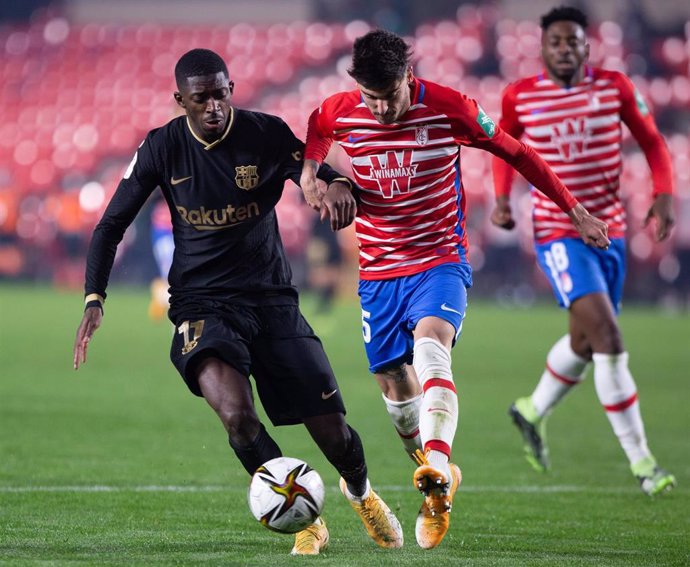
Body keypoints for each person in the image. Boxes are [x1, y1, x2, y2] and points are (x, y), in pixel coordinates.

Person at [72, 48, 404, 556]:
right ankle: (303, 518)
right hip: (201, 304)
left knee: (334, 434)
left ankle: (360, 493)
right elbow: (110, 225)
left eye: (220, 94)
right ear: (179, 99)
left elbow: (312, 172)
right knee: (237, 417)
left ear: (231, 90)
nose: (213, 107)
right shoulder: (162, 147)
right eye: (200, 98)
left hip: (271, 299)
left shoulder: (264, 133)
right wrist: (95, 296)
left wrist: (336, 186)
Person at [300, 29, 609, 549]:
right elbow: (313, 144)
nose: (381, 110)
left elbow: (519, 153)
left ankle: (438, 465)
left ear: (409, 78)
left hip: (438, 262)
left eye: (390, 95)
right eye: (371, 98)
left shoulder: (451, 108)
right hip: (377, 275)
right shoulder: (339, 110)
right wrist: (317, 179)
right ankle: (438, 489)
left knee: (431, 349)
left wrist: (574, 210)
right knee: (398, 396)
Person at [490, 6, 677, 496]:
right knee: (610, 340)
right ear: (543, 47)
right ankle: (644, 465)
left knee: (586, 340)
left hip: (609, 233)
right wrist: (502, 200)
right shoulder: (520, 96)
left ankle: (531, 409)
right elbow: (506, 149)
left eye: (573, 41)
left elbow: (654, 143)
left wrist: (663, 193)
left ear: (586, 46)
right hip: (558, 232)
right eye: (556, 41)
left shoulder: (613, 87)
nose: (565, 49)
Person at [148, 197, 174, 321]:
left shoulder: (162, 207)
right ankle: (160, 295)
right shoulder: (162, 208)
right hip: (167, 241)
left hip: (165, 241)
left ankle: (160, 294)